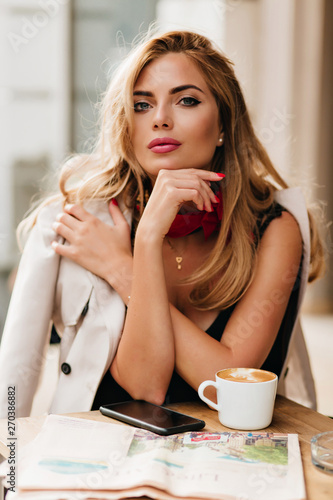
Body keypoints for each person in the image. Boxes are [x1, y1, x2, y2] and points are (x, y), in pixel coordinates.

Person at [0, 30, 325, 418]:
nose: (160, 119)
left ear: (224, 122)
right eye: (141, 105)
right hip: (103, 459)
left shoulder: (276, 226)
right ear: (126, 124)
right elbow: (144, 386)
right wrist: (149, 236)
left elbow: (230, 390)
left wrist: (122, 267)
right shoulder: (83, 221)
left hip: (228, 465)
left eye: (186, 100)